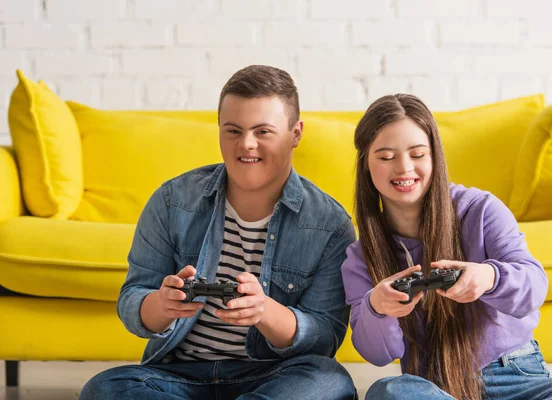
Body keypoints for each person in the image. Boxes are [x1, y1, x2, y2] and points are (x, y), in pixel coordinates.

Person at [80, 65, 357, 400]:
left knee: (330, 381)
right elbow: (132, 300)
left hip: (272, 376)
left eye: (263, 132)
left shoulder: (330, 225)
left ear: (295, 133)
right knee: (104, 389)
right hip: (178, 375)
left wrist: (265, 312)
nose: (247, 145)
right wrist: (160, 305)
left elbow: (326, 336)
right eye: (233, 131)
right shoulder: (172, 201)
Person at [341, 93, 552, 399]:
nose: (404, 168)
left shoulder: (480, 210)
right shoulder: (360, 256)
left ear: (435, 156)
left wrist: (489, 277)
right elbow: (377, 354)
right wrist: (377, 308)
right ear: (366, 165)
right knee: (390, 391)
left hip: (517, 377)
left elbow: (534, 285)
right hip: (438, 389)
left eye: (418, 154)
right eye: (386, 157)